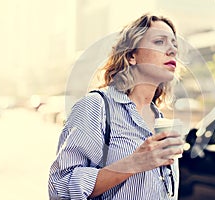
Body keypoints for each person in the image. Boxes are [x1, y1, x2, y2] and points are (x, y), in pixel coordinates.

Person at [48, 13, 185, 200]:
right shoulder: (97, 107)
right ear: (131, 56)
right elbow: (60, 187)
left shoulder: (160, 119)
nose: (172, 50)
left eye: (174, 44)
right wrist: (133, 163)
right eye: (160, 42)